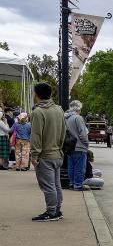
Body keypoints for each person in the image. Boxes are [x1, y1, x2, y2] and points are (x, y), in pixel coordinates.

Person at [30, 83, 66, 221]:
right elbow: (63, 132)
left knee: (48, 186)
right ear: (50, 94)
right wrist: (59, 148)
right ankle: (57, 209)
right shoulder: (59, 110)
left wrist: (34, 155)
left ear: (37, 94)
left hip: (45, 155)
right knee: (56, 185)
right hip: (57, 153)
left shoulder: (38, 112)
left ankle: (51, 212)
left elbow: (36, 136)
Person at [64, 100, 90, 191]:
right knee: (79, 167)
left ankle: (72, 183)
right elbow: (83, 134)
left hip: (69, 146)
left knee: (71, 166)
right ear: (78, 108)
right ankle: (78, 185)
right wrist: (86, 143)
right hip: (79, 145)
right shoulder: (78, 118)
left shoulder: (65, 118)